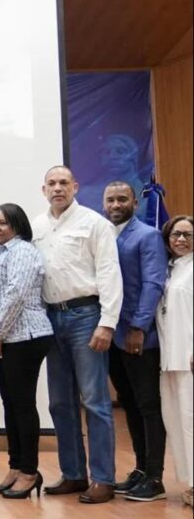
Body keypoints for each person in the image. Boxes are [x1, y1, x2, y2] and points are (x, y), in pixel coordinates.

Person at [32, 166, 122, 504]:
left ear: (75, 186)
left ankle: (103, 479)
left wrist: (107, 322)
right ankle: (73, 474)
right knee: (59, 403)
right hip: (50, 318)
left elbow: (110, 273)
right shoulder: (37, 226)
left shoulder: (94, 223)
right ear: (44, 189)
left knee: (95, 402)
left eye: (64, 183)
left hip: (87, 316)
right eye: (52, 183)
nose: (58, 188)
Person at [102, 181, 168, 501]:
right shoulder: (105, 236)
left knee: (148, 406)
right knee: (129, 404)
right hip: (112, 335)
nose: (116, 205)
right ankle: (140, 469)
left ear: (134, 203)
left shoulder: (148, 235)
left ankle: (155, 478)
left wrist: (139, 327)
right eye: (110, 200)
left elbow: (154, 283)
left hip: (138, 337)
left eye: (122, 199)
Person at [0, 203, 54, 499]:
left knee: (22, 405)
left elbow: (15, 295)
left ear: (17, 224)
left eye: (3, 223)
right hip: (7, 338)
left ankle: (29, 471)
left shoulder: (23, 250)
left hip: (25, 335)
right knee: (10, 403)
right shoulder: (2, 251)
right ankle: (15, 466)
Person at [156, 215, 193, 508]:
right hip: (170, 358)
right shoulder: (170, 269)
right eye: (176, 235)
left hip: (190, 359)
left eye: (188, 235)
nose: (181, 240)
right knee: (177, 422)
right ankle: (190, 482)